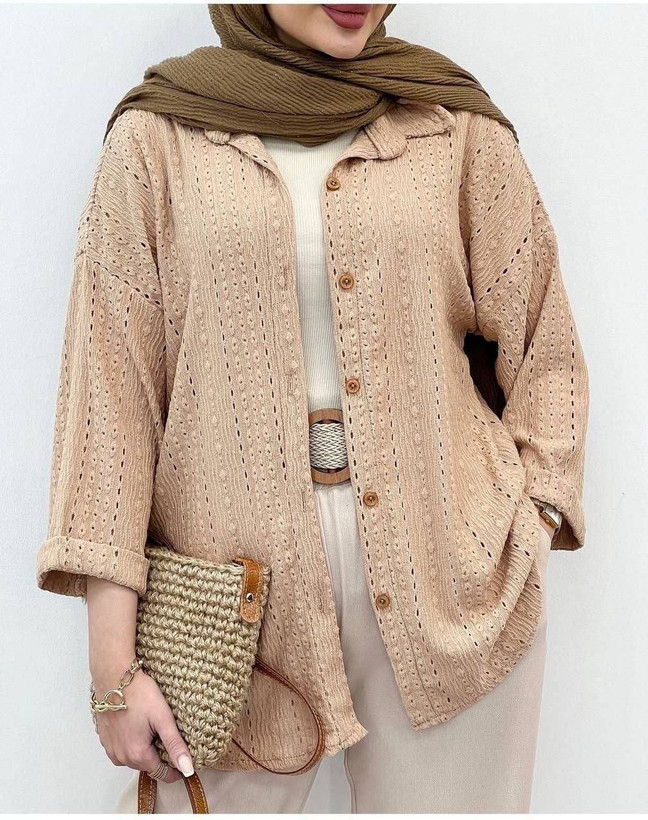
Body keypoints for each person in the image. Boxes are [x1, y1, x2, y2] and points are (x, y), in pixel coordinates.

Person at [36, 4, 589, 813]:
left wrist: (529, 522)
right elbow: (110, 405)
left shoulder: (452, 124)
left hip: (453, 581)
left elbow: (547, 350)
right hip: (230, 607)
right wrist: (111, 671)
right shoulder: (156, 139)